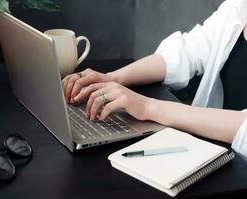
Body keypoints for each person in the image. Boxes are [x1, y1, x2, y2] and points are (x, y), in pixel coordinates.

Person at [62, 0, 247, 158]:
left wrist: (147, 107)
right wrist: (112, 78)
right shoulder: (238, 7)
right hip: (216, 152)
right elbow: (187, 52)